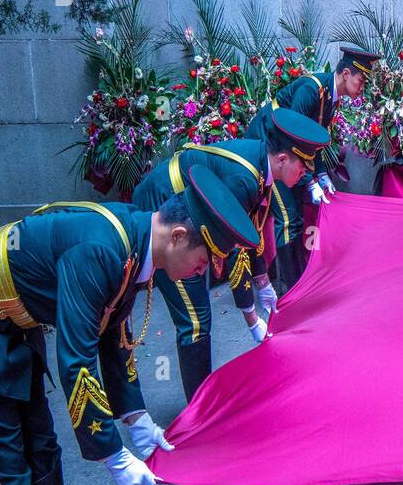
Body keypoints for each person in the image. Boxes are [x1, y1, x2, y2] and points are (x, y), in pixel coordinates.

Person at [0, 167, 258, 485]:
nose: (206, 271)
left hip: (14, 319)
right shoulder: (102, 250)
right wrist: (112, 453)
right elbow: (77, 357)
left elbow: (114, 334)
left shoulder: (136, 240)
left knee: (41, 443)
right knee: (1, 464)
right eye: (204, 261)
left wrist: (137, 420)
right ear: (179, 236)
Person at [130, 108, 329, 401]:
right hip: (166, 213)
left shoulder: (263, 169)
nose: (305, 175)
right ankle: (200, 411)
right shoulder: (245, 178)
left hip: (191, 215)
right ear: (283, 159)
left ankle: (203, 400)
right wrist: (251, 317)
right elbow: (234, 248)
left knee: (198, 313)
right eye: (303, 167)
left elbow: (252, 229)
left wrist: (262, 282)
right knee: (195, 318)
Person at [248, 44, 379, 289]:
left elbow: (314, 140)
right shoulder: (312, 90)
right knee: (288, 219)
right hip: (269, 152)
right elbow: (295, 136)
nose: (362, 88)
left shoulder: (331, 99)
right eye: (361, 80)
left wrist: (321, 175)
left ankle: (296, 281)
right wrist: (310, 181)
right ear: (346, 74)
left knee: (295, 216)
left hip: (288, 156)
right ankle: (289, 289)